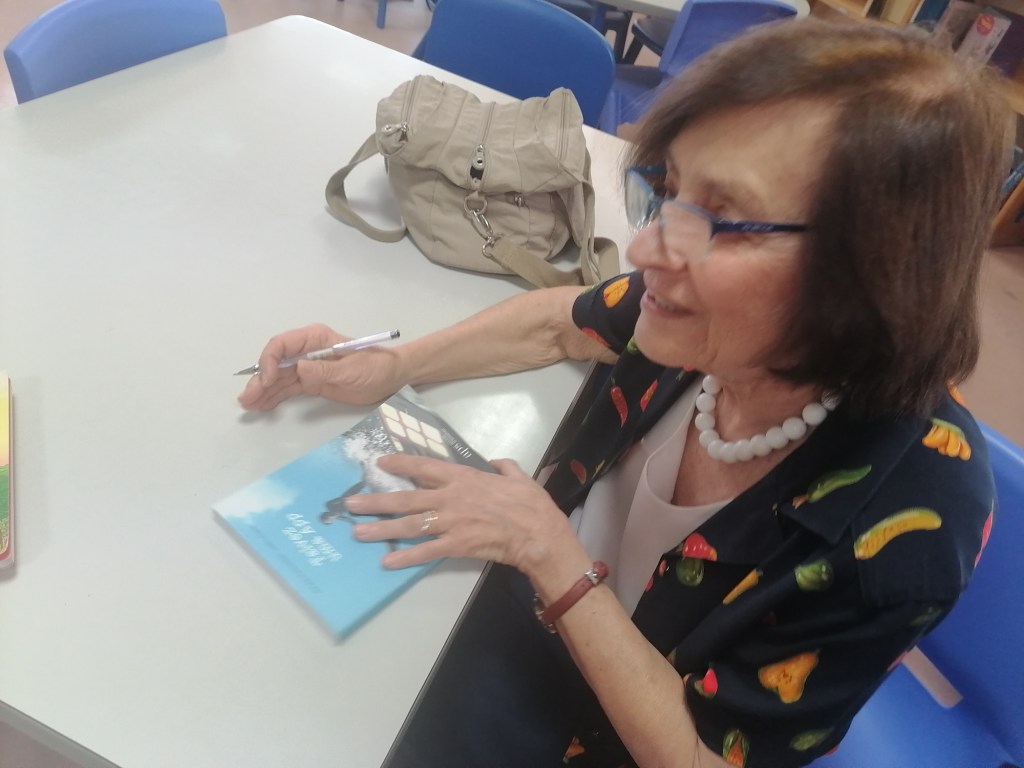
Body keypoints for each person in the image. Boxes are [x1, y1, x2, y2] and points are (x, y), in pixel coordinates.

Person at [238, 18, 1009, 768]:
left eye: (725, 219)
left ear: (876, 268)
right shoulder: (701, 319)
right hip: (520, 601)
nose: (645, 248)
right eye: (669, 190)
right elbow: (561, 323)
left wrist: (549, 552)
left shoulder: (909, 529)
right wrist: (398, 365)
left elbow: (706, 756)